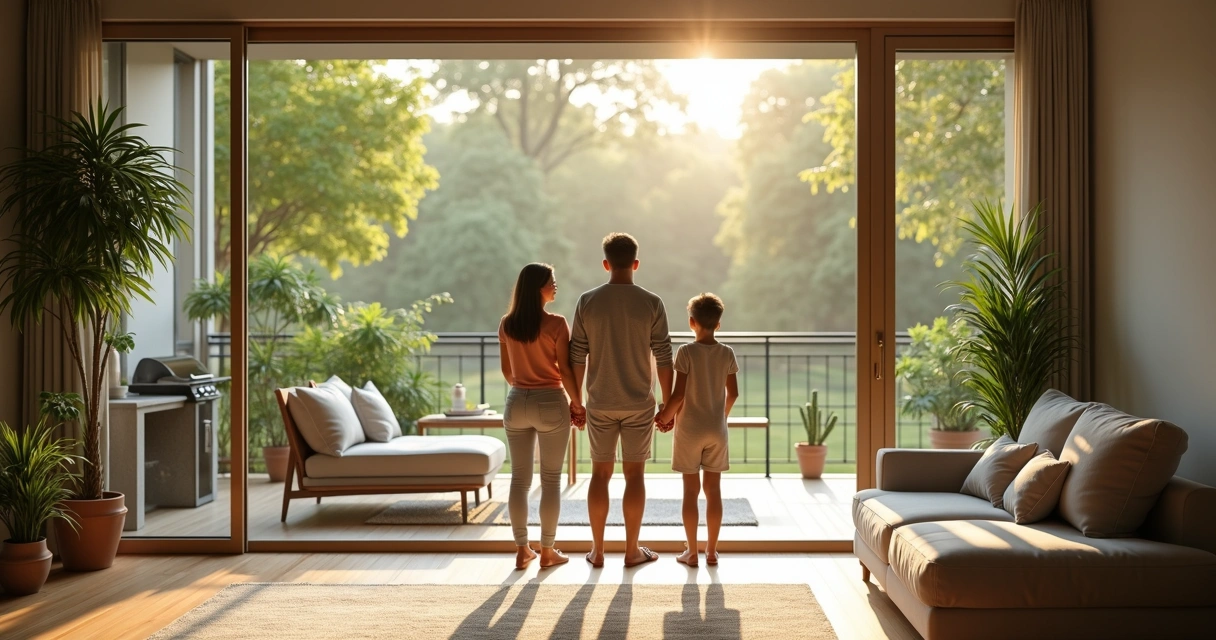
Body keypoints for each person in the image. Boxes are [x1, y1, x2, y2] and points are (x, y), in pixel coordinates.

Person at [570, 232, 674, 568]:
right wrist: (667, 404)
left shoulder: (587, 301)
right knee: (635, 476)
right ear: (635, 263)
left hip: (599, 402)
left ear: (605, 264)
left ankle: (597, 551)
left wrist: (577, 400)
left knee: (600, 475)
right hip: (639, 405)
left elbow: (576, 356)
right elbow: (663, 357)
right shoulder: (651, 302)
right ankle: (631, 551)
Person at [499, 263, 587, 570]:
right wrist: (577, 404)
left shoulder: (507, 324)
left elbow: (508, 372)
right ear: (539, 288)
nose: (556, 286)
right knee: (550, 481)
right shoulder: (557, 324)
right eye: (552, 282)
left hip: (516, 402)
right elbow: (565, 369)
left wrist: (524, 386)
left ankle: (522, 550)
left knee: (519, 480)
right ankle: (547, 551)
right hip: (550, 401)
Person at [656, 293, 739, 567]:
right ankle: (712, 551)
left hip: (689, 430)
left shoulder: (686, 352)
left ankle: (691, 552)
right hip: (716, 430)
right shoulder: (727, 353)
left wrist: (664, 417)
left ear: (692, 322)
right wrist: (720, 417)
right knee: (713, 491)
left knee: (690, 491)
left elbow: (678, 396)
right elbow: (733, 394)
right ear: (719, 324)